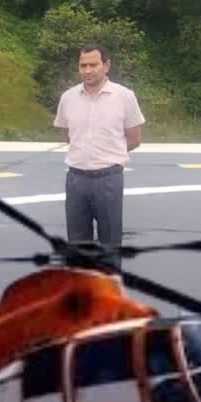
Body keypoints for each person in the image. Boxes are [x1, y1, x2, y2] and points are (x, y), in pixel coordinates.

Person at [53, 43, 145, 270]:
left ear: (106, 65)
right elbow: (69, 136)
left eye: (93, 64)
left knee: (110, 244)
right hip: (76, 180)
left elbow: (133, 139)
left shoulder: (124, 96)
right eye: (82, 65)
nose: (87, 70)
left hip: (109, 179)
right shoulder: (68, 98)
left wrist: (108, 155)